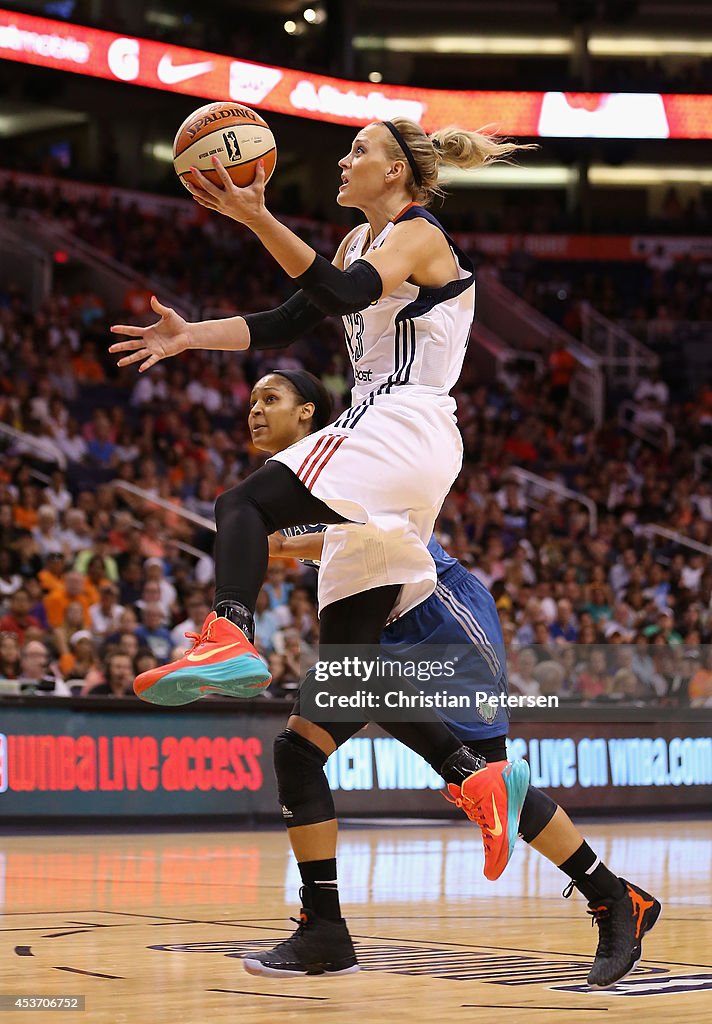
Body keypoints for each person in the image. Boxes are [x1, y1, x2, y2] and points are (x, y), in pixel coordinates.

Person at [111, 118, 536, 889]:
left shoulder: (419, 235)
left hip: (401, 418)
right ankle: (475, 773)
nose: (344, 161)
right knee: (350, 669)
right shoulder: (351, 244)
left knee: (241, 502)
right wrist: (186, 338)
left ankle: (229, 633)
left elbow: (342, 295)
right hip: (400, 445)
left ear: (399, 174)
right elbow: (285, 321)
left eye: (360, 152)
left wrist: (253, 215)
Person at [245, 370, 660, 986]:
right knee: (299, 752)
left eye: (268, 399)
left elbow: (343, 534)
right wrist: (256, 536)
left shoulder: (350, 449)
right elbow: (308, 542)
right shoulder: (299, 476)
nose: (254, 411)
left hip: (441, 613)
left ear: (308, 412)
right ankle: (325, 930)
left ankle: (613, 896)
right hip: (382, 629)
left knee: (490, 784)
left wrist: (257, 536)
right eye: (251, 401)